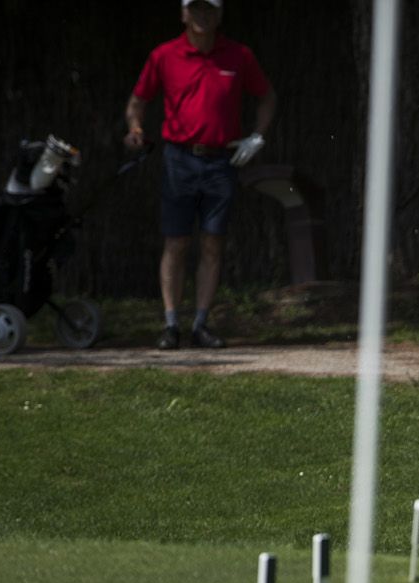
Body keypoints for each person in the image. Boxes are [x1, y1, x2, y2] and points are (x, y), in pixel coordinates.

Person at [124, 0, 276, 350]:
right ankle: (171, 323)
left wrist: (257, 136)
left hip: (221, 161)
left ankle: (201, 323)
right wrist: (135, 127)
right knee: (176, 242)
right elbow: (138, 100)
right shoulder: (165, 55)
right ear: (183, 14)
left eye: (209, 9)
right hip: (179, 158)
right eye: (195, 9)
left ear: (219, 14)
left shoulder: (238, 55)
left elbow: (267, 97)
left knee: (212, 242)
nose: (202, 16)